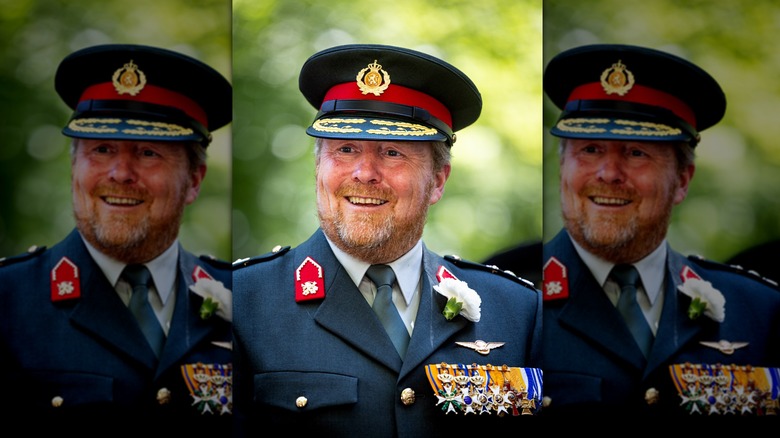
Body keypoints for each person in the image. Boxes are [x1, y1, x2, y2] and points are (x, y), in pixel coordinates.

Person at [232, 44, 543, 435]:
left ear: (438, 181)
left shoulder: (518, 311)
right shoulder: (242, 303)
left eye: (392, 152)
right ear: (317, 168)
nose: (364, 173)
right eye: (345, 149)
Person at [0, 44, 234, 432]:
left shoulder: (240, 300)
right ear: (74, 167)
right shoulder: (8, 301)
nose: (120, 173)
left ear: (193, 181)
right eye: (102, 150)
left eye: (147, 153)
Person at [540, 43, 780, 416]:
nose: (609, 173)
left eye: (636, 153)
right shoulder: (509, 303)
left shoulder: (760, 312)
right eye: (589, 150)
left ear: (682, 180)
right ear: (562, 169)